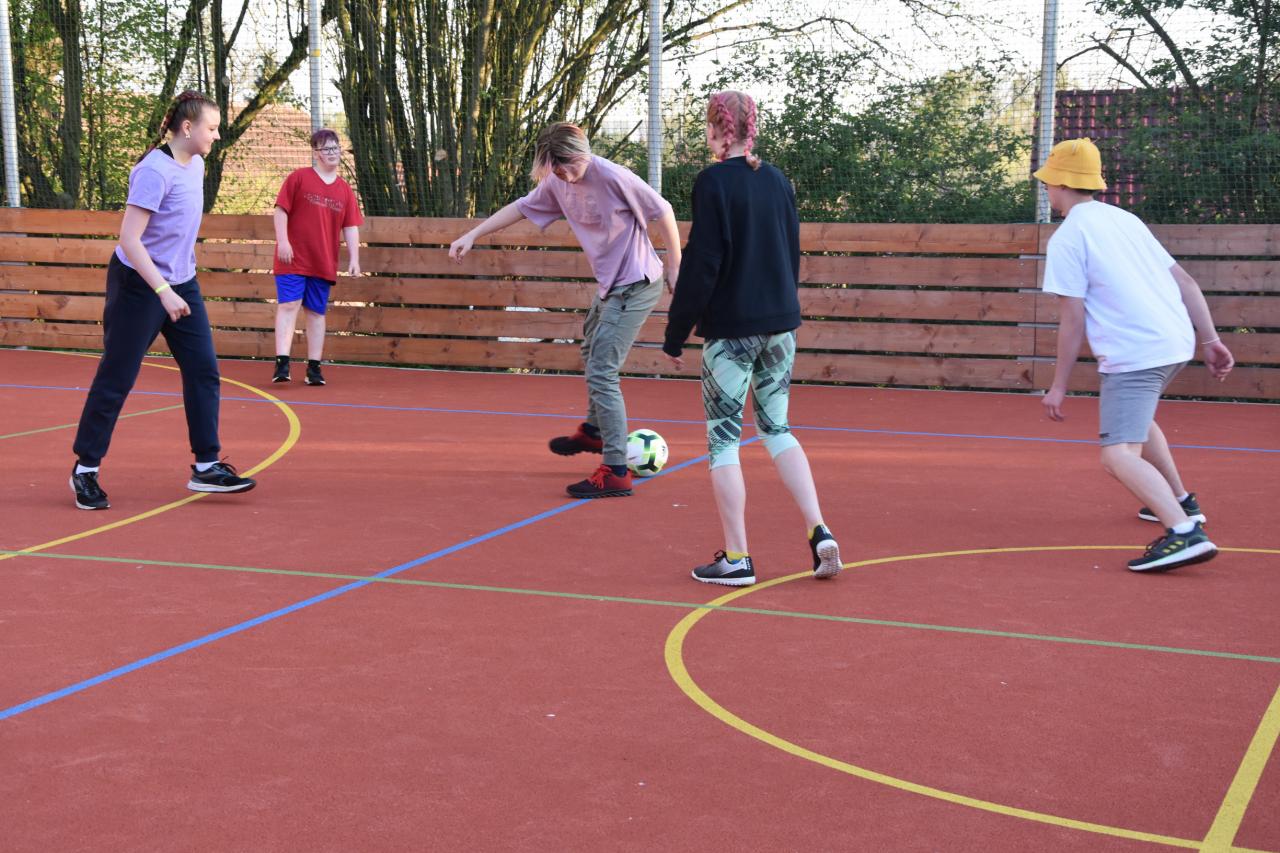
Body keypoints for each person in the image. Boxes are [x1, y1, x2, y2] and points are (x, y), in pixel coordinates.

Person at [662, 91, 841, 587]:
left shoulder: (713, 182)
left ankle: (738, 558)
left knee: (723, 439)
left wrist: (676, 334)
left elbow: (703, 264)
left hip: (732, 331)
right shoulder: (777, 180)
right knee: (777, 429)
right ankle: (819, 530)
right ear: (751, 129)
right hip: (781, 325)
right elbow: (791, 250)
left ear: (716, 130)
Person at [448, 122, 681, 498]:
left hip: (636, 283)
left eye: (571, 166)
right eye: (557, 169)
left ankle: (616, 470)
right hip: (610, 286)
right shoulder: (556, 181)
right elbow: (521, 208)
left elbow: (663, 209)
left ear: (582, 154)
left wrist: (675, 263)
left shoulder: (613, 176)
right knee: (590, 348)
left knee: (603, 369)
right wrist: (473, 234)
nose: (567, 175)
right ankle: (594, 431)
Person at [1036, 137, 1234, 572]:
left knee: (1117, 454)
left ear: (1060, 183)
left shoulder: (1068, 238)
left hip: (1137, 352)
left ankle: (1183, 532)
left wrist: (1058, 385)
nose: (1046, 189)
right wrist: (1210, 340)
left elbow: (1073, 318)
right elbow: (1186, 283)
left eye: (1048, 182)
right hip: (1174, 342)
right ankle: (1183, 501)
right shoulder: (1125, 219)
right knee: (1139, 423)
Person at [69, 90, 256, 510]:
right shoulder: (154, 171)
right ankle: (85, 470)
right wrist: (162, 291)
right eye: (212, 128)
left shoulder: (197, 164)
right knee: (117, 378)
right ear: (187, 128)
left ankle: (206, 466)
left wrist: (177, 282)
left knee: (204, 371)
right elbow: (129, 240)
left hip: (181, 283)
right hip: (140, 285)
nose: (217, 135)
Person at [271, 128, 363, 385]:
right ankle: (282, 363)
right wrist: (283, 242)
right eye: (326, 149)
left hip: (323, 261)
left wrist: (354, 259)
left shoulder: (344, 190)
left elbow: (350, 226)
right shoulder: (299, 178)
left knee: (316, 312)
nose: (332, 152)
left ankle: (314, 368)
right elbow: (280, 211)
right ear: (316, 153)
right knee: (289, 305)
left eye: (335, 148)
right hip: (292, 258)